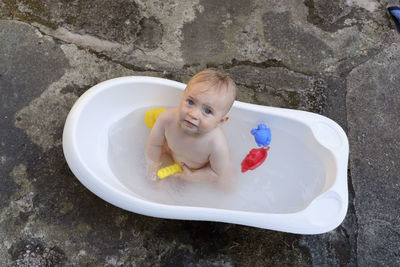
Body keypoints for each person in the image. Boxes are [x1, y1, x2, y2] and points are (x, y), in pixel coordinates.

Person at [145, 69, 236, 190]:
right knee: (158, 186)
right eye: (190, 102)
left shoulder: (216, 144)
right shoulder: (167, 119)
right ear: (182, 96)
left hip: (199, 169)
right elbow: (154, 145)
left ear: (220, 121)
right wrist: (152, 165)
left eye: (207, 111)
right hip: (171, 155)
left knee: (227, 186)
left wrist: (192, 176)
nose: (193, 114)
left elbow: (216, 173)